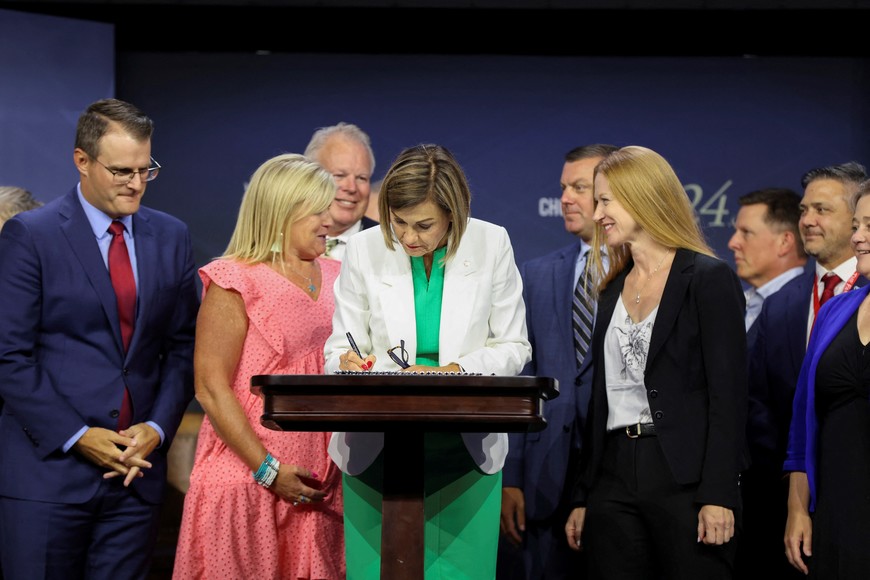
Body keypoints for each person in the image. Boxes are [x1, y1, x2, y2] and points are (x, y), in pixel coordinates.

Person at [0, 98, 199, 579]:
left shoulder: (170, 236)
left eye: (144, 169)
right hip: (47, 477)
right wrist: (78, 436)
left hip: (135, 477)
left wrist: (156, 428)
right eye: (120, 171)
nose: (135, 183)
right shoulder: (32, 235)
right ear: (82, 161)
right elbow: (10, 356)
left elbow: (184, 346)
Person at [323, 143, 532, 578]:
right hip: (376, 447)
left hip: (465, 449)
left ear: (453, 213)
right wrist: (356, 362)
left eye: (424, 225)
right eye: (397, 221)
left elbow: (513, 346)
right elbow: (338, 351)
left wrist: (452, 372)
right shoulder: (362, 249)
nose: (408, 236)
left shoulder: (492, 243)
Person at [564, 145, 748, 579]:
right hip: (613, 479)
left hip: (685, 480)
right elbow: (600, 402)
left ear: (642, 196)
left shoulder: (707, 279)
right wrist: (583, 494)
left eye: (606, 200)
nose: (597, 214)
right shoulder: (609, 290)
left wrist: (718, 493)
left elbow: (729, 397)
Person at [172, 153, 345, 579]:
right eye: (318, 210)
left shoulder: (343, 274)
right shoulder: (236, 280)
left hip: (321, 487)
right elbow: (211, 387)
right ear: (283, 211)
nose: (330, 220)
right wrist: (268, 470)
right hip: (249, 479)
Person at [498, 143, 617, 580]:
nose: (566, 198)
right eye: (563, 187)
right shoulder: (536, 272)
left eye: (580, 188)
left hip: (618, 478)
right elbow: (522, 380)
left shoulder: (643, 272)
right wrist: (511, 475)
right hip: (544, 478)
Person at [746, 161, 868, 577]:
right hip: (796, 504)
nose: (808, 220)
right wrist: (793, 493)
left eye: (822, 210)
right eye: (803, 210)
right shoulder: (782, 303)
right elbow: (761, 401)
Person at [783, 178, 870, 578]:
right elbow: (803, 424)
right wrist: (798, 509)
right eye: (856, 226)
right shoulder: (835, 311)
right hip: (834, 512)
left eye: (869, 226)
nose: (858, 238)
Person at [727, 187, 806, 351]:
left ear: (784, 242)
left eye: (746, 232)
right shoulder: (735, 304)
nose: (733, 243)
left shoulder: (807, 308)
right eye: (736, 232)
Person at [304, 122, 378, 260]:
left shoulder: (389, 244)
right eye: (339, 176)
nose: (351, 188)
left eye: (361, 178)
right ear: (310, 177)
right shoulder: (279, 238)